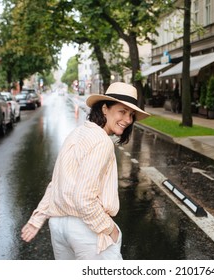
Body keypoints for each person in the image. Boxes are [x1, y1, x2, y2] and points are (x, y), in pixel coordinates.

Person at [21, 82, 150, 260]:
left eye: (131, 114)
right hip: (86, 228)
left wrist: (37, 219)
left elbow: (56, 183)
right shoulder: (102, 142)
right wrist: (109, 228)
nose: (128, 120)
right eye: (122, 111)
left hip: (58, 226)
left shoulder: (76, 134)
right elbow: (84, 198)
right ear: (105, 109)